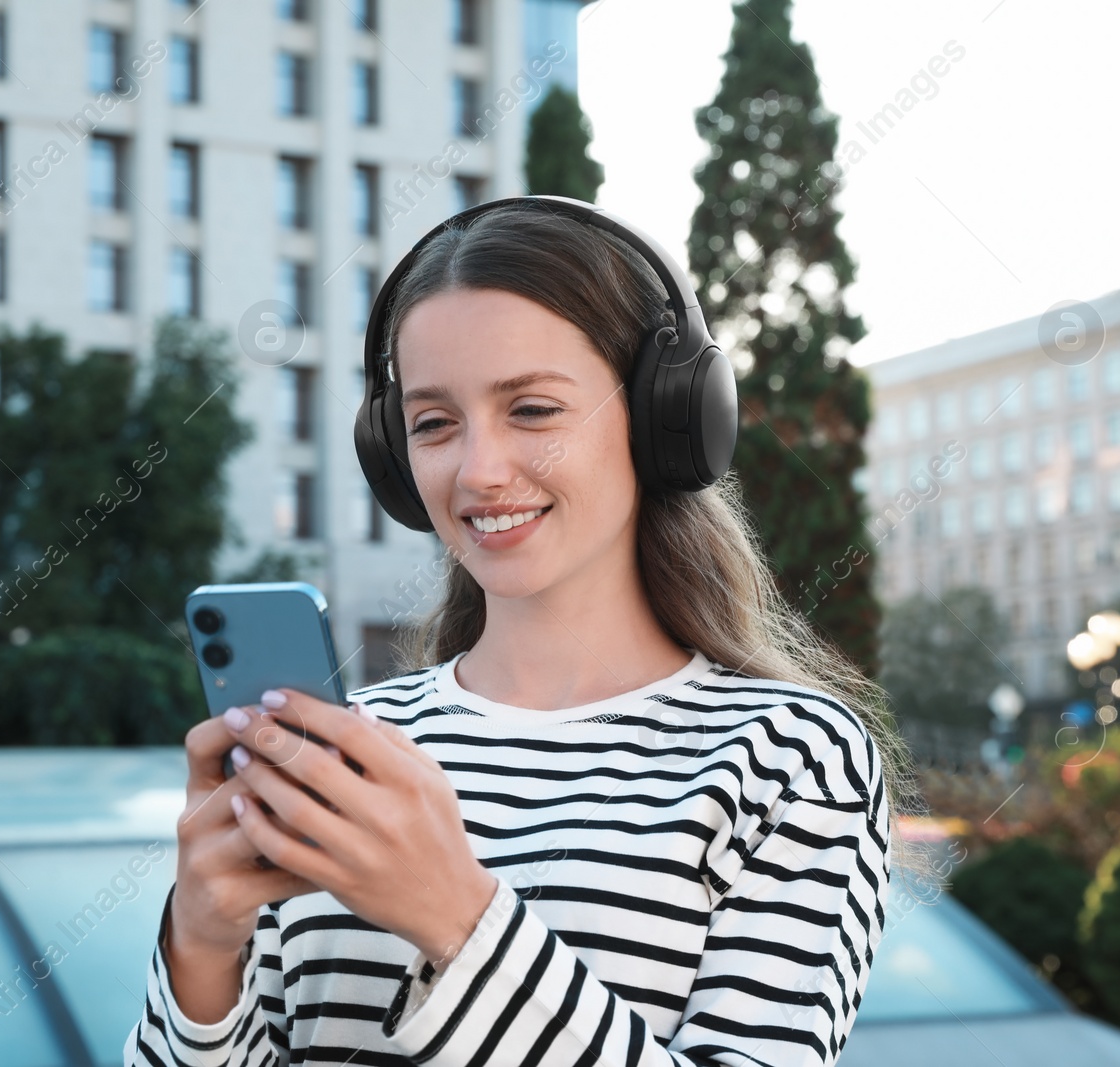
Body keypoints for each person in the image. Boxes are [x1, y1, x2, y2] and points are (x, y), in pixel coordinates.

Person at [124, 200, 925, 1067]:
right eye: (433, 423)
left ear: (666, 420)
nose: (478, 470)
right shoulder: (350, 747)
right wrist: (201, 952)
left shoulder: (787, 758)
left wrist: (456, 917)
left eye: (534, 410)